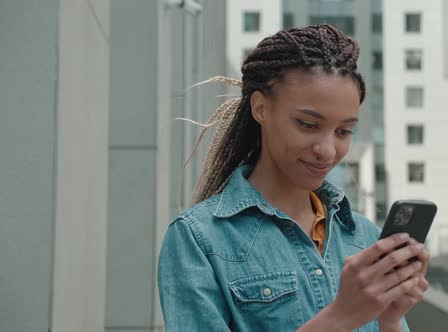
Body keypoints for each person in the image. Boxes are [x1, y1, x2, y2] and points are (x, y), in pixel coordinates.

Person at [157, 24, 430, 331]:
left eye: (343, 131)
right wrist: (341, 317)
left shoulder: (366, 239)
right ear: (261, 108)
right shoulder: (198, 239)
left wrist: (390, 318)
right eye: (308, 124)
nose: (327, 151)